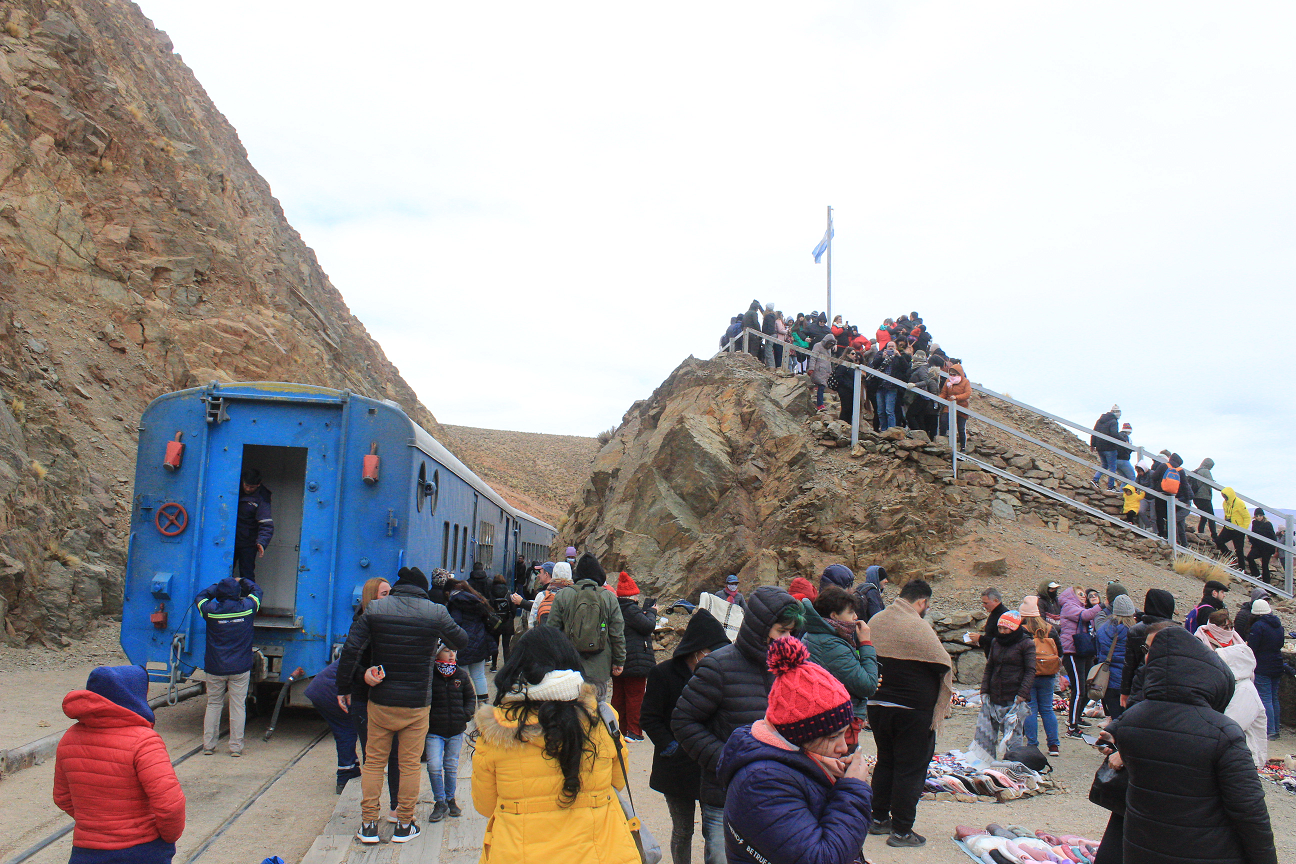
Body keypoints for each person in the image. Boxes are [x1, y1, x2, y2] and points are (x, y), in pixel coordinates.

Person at [1108, 627, 1277, 864]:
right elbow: (1249, 811)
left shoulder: (1131, 721)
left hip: (1143, 848)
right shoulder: (1222, 733)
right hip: (1206, 852)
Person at [472, 627, 639, 864]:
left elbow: (485, 805)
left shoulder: (496, 730)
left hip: (518, 852)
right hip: (600, 850)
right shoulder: (601, 719)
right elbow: (618, 782)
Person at [336, 566, 467, 844]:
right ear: (422, 589)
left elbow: (351, 650)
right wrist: (434, 640)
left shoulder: (375, 610)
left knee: (373, 763)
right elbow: (461, 640)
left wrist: (344, 686)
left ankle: (369, 824)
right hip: (417, 703)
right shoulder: (435, 612)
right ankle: (404, 825)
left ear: (398, 587)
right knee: (408, 765)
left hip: (381, 700)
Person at [672, 586, 802, 864]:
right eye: (782, 631)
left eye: (792, 632)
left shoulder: (790, 672)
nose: (788, 640)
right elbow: (683, 721)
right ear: (760, 627)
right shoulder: (718, 666)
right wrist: (727, 759)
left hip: (776, 796)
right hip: (725, 797)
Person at [718, 638, 874, 864]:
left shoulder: (787, 756)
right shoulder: (761, 782)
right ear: (800, 736)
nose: (842, 747)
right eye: (833, 737)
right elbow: (821, 859)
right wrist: (853, 791)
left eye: (844, 733)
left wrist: (815, 768)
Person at [54, 665, 186, 864]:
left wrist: (97, 826)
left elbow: (62, 797)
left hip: (87, 852)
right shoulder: (144, 740)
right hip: (142, 850)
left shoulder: (69, 737)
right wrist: (167, 839)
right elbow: (170, 805)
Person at [865, 579, 952, 848]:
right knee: (910, 770)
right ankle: (902, 831)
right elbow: (944, 663)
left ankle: (878, 818)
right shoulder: (918, 626)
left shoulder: (877, 620)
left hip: (877, 707)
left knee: (886, 762)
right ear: (922, 602)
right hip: (912, 712)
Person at [642, 610, 730, 864]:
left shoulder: (720, 674)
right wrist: (671, 745)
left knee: (712, 830)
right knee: (683, 829)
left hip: (709, 765)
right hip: (675, 767)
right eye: (713, 650)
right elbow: (649, 717)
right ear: (698, 651)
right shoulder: (663, 674)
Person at [341, 577, 402, 821]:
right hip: (364, 697)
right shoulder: (360, 624)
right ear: (372, 597)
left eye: (391, 593)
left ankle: (395, 807)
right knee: (373, 757)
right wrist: (360, 676)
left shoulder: (394, 623)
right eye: (385, 594)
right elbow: (349, 660)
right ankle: (371, 812)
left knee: (396, 755)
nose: (391, 598)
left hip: (389, 697)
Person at [194, 574, 261, 757]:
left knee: (214, 704)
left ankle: (208, 745)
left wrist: (216, 587)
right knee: (238, 705)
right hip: (240, 668)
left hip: (215, 667)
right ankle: (236, 747)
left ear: (219, 594)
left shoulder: (210, 611)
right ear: (237, 593)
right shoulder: (247, 609)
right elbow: (257, 591)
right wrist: (243, 581)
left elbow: (200, 597)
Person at [548, 552, 627, 690]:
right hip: (600, 666)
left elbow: (551, 631)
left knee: (571, 706)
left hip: (569, 666)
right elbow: (617, 633)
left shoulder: (563, 595)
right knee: (597, 705)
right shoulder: (609, 597)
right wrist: (619, 660)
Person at [800, 586, 879, 721]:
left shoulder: (817, 635)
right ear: (834, 615)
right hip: (839, 718)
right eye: (850, 613)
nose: (856, 617)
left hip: (828, 714)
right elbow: (868, 685)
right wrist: (865, 642)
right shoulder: (830, 644)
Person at [973, 610, 1034, 761]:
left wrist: (1022, 693)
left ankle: (1013, 763)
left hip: (1014, 695)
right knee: (989, 730)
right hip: (995, 693)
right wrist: (984, 690)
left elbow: (1030, 670)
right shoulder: (996, 642)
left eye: (1006, 628)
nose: (1003, 632)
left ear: (1015, 628)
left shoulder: (1026, 644)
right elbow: (990, 667)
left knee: (1013, 733)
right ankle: (986, 761)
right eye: (1000, 628)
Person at [425, 646, 474, 822]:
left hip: (455, 730)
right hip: (434, 731)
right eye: (446, 650)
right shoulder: (430, 675)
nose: (452, 654)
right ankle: (440, 801)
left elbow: (470, 697)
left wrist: (465, 714)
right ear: (436, 652)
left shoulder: (460, 675)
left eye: (454, 650)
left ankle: (450, 799)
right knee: (434, 765)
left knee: (451, 766)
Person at [304, 657, 361, 793]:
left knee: (345, 730)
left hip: (321, 688)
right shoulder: (371, 653)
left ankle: (352, 769)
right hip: (331, 692)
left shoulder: (360, 648)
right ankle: (345, 776)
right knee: (346, 730)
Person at [613, 570, 657, 741]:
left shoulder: (616, 608)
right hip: (635, 660)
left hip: (618, 658)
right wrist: (652, 612)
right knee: (635, 696)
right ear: (632, 596)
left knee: (619, 696)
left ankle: (619, 728)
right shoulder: (631, 610)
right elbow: (647, 626)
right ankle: (634, 731)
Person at [1019, 596, 1062, 757]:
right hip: (1048, 674)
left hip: (1029, 674)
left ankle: (1032, 745)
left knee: (1031, 709)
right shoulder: (1049, 629)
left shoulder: (1022, 630)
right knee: (1047, 709)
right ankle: (1053, 745)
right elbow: (1060, 651)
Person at [1119, 588, 1175, 708]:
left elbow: (1129, 664)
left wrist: (1125, 691)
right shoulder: (1176, 630)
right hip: (1169, 687)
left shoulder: (1136, 630)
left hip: (1139, 686)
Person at [446, 578, 497, 704]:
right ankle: (483, 703)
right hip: (479, 641)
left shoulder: (455, 602)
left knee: (462, 675)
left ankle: (463, 702)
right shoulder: (476, 599)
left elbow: (455, 621)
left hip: (463, 641)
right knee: (479, 675)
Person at [1217, 643, 1269, 768]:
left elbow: (1231, 726)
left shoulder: (1245, 690)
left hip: (1246, 758)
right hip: (1235, 755)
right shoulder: (1233, 687)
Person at [1060, 587, 1099, 738]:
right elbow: (1086, 615)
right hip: (1072, 652)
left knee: (1086, 686)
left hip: (1083, 652)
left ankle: (1076, 717)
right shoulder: (1069, 606)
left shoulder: (1082, 608)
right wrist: (1102, 605)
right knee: (1078, 689)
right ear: (1072, 595)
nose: (1084, 597)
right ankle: (1072, 726)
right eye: (1081, 594)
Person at [1245, 598, 1283, 741]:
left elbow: (1252, 648)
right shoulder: (1278, 625)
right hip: (1277, 664)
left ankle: (1269, 730)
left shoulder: (1258, 626)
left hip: (1263, 665)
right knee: (1273, 698)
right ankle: (1276, 729)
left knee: (1265, 698)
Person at [1094, 594, 1135, 721]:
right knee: (1129, 720)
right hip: (1127, 682)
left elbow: (1099, 653)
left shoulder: (1103, 629)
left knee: (1116, 719)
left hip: (1108, 681)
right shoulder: (1134, 631)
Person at [234, 468, 273, 580]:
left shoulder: (262, 498)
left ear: (258, 485)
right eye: (246, 485)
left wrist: (261, 542)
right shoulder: (233, 489)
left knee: (247, 573)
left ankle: (249, 597)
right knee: (224, 569)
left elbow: (266, 524)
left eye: (252, 487)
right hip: (230, 537)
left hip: (248, 541)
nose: (248, 489)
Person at [1215, 487, 1251, 570]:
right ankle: (1230, 558)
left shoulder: (1239, 503)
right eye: (1223, 495)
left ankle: (1242, 569)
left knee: (1239, 550)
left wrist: (1243, 529)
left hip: (1238, 530)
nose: (1224, 497)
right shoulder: (1225, 503)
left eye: (1225, 495)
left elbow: (1247, 517)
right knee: (1218, 541)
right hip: (1228, 528)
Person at [938, 361, 971, 449]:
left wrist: (956, 397)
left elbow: (967, 393)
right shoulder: (948, 381)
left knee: (960, 428)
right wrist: (939, 399)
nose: (952, 375)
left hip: (962, 408)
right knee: (944, 421)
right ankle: (942, 442)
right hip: (949, 406)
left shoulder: (965, 382)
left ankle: (963, 447)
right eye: (951, 373)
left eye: (954, 374)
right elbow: (944, 393)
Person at [1089, 405, 1122, 490]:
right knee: (1112, 467)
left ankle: (1095, 480)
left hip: (1100, 447)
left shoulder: (1100, 420)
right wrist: (1123, 441)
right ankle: (1110, 486)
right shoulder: (1113, 421)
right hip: (1110, 448)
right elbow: (1114, 434)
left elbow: (1094, 432)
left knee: (1104, 465)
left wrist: (1093, 444)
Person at [965, 587, 1006, 654]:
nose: (983, 605)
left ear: (996, 600)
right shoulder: (994, 614)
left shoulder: (1004, 616)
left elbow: (1002, 640)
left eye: (986, 603)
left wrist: (980, 639)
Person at [488, 573, 515, 672]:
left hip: (495, 623)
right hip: (507, 622)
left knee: (495, 644)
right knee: (506, 645)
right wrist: (510, 617)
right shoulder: (508, 593)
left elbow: (489, 608)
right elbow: (513, 609)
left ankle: (494, 665)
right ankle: (507, 665)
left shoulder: (491, 592)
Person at [1246, 509, 1278, 584]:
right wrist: (1251, 539)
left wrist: (1273, 549)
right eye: (1257, 516)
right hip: (1257, 547)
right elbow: (1254, 535)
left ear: (1263, 516)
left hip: (1267, 548)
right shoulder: (1254, 523)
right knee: (1250, 557)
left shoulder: (1268, 524)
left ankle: (1266, 583)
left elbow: (1273, 537)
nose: (1258, 517)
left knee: (1265, 565)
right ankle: (1256, 574)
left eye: (1260, 515)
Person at [1192, 457, 1218, 541]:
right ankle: (1214, 536)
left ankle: (1201, 533)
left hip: (1195, 497)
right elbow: (1211, 483)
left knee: (1204, 517)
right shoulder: (1206, 471)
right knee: (1211, 517)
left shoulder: (1196, 471)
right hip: (1204, 497)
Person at [809, 335, 836, 411]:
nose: (830, 345)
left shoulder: (829, 349)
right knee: (821, 386)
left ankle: (820, 404)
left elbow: (828, 360)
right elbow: (813, 357)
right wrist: (811, 368)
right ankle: (820, 404)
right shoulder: (817, 345)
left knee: (822, 387)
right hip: (818, 369)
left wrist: (830, 371)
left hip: (825, 371)